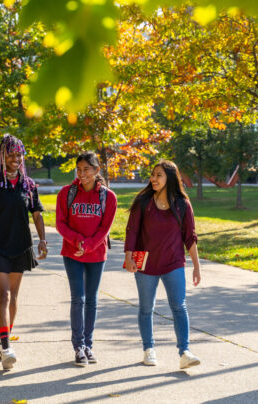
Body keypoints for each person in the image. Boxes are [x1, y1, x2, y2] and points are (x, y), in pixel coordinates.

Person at [124, 160, 202, 369]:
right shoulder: (144, 201)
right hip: (146, 265)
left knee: (179, 306)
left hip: (173, 263)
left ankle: (185, 351)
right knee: (146, 308)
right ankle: (149, 349)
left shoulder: (182, 204)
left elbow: (190, 236)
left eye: (159, 175)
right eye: (153, 175)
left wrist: (196, 266)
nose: (154, 179)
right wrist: (128, 257)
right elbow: (131, 230)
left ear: (169, 177)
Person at [0, 134, 47, 370]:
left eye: (19, 154)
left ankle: (4, 339)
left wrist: (42, 239)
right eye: (10, 154)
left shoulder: (28, 185)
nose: (15, 158)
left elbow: (37, 213)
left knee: (14, 297)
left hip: (20, 245)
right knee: (4, 295)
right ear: (2, 155)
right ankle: (6, 344)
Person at [55, 152, 117, 366]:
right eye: (79, 169)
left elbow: (105, 227)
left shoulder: (108, 197)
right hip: (72, 253)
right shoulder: (66, 193)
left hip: (96, 254)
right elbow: (61, 223)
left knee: (91, 300)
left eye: (86, 169)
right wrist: (77, 242)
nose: (82, 174)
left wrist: (89, 245)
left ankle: (89, 345)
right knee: (78, 298)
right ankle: (78, 346)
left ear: (96, 170)